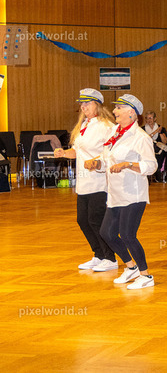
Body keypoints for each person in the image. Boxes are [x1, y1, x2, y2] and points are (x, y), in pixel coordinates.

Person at [85, 94, 158, 289]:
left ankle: (146, 275)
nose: (114, 111)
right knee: (107, 233)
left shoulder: (141, 137)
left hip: (133, 195)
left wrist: (128, 164)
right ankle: (131, 266)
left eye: (119, 108)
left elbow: (152, 166)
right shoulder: (115, 132)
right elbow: (108, 160)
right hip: (115, 194)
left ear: (131, 113)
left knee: (127, 235)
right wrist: (97, 163)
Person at [54, 88, 117, 272]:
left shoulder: (106, 126)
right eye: (82, 104)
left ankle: (110, 257)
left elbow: (111, 153)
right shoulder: (83, 126)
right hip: (83, 182)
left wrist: (97, 162)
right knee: (83, 220)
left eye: (87, 103)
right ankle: (98, 255)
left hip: (99, 181)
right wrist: (64, 153)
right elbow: (77, 151)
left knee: (96, 220)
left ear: (97, 105)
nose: (83, 107)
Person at [144, 111, 167, 182]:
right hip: (147, 146)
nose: (149, 120)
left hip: (159, 146)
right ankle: (157, 172)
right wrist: (156, 131)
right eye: (147, 118)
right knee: (158, 151)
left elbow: (165, 141)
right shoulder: (143, 129)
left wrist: (160, 132)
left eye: (150, 118)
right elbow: (146, 139)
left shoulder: (161, 128)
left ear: (155, 119)